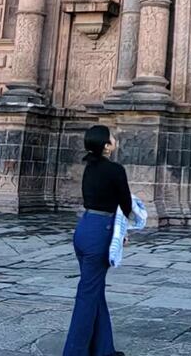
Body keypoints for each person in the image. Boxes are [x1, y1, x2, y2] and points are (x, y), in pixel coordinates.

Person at [63, 124, 132, 356]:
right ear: (106, 145)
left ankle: (104, 350)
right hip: (100, 232)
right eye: (112, 138)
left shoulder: (89, 168)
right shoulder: (115, 170)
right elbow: (126, 205)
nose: (115, 140)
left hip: (84, 229)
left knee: (94, 289)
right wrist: (122, 232)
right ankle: (73, 352)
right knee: (87, 295)